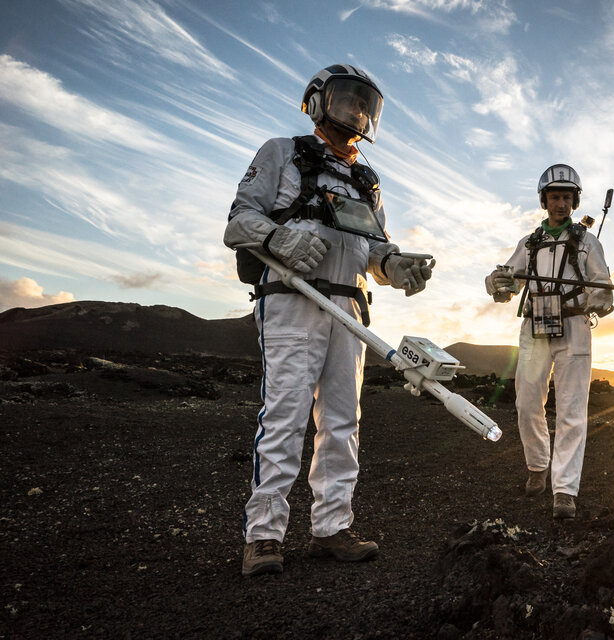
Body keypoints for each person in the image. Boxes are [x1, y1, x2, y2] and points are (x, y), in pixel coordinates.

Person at [224, 64, 435, 576]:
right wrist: (278, 239)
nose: (358, 110)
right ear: (318, 100)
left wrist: (395, 265)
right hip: (293, 299)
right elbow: (238, 221)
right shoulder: (281, 153)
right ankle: (265, 535)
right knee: (285, 415)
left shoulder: (366, 180)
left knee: (342, 421)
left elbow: (374, 250)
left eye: (366, 104)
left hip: (349, 310)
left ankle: (332, 526)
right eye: (348, 98)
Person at [485, 164, 614, 519]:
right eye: (555, 197)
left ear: (574, 202)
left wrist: (600, 300)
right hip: (535, 325)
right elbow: (509, 284)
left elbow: (601, 286)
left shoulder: (589, 241)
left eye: (567, 198)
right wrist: (497, 283)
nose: (561, 203)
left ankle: (564, 491)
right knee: (527, 401)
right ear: (544, 200)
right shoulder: (529, 243)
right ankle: (538, 465)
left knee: (573, 410)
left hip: (574, 325)